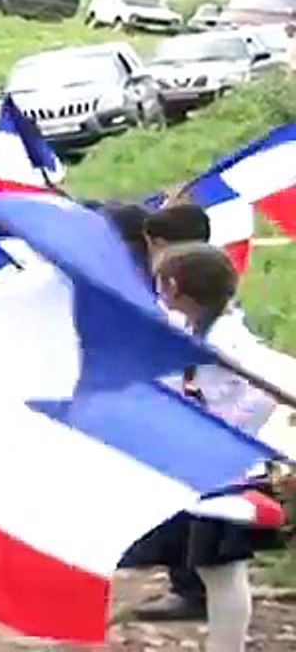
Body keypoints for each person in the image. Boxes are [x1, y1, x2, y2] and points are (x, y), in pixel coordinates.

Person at [121, 243, 277, 652]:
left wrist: (225, 428)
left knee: (223, 571)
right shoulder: (198, 332)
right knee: (213, 570)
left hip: (229, 467)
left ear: (174, 287)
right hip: (206, 464)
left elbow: (263, 396)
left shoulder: (226, 341)